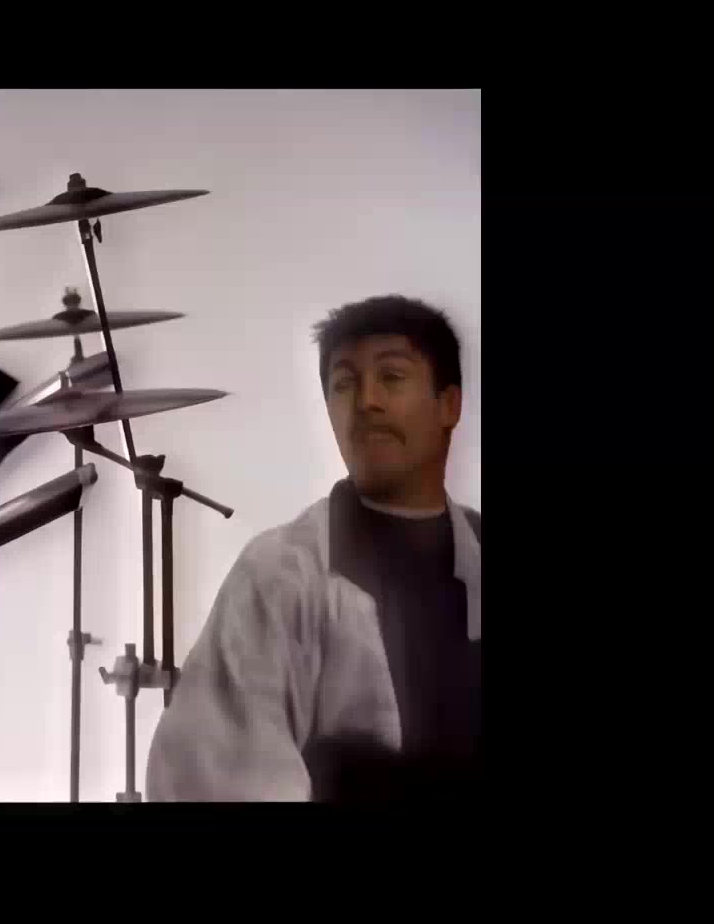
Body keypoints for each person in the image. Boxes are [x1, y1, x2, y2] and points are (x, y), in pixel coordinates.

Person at [146, 295, 479, 802]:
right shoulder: (279, 574)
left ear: (448, 405)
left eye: (391, 377)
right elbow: (208, 775)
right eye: (344, 384)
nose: (366, 401)